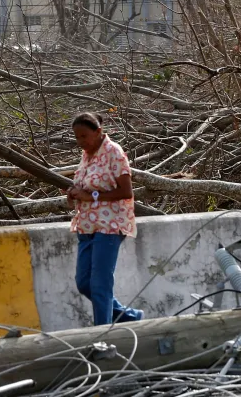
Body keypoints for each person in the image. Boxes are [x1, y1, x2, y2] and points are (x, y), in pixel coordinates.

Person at [67, 112, 144, 325]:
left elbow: (126, 191)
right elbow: (88, 185)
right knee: (84, 283)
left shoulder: (114, 152)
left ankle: (102, 336)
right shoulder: (87, 155)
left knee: (100, 284)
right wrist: (74, 192)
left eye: (84, 136)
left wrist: (91, 196)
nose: (80, 142)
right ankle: (130, 316)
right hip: (87, 225)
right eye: (77, 137)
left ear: (98, 132)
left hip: (110, 225)